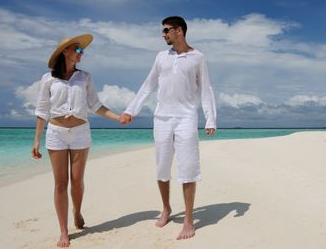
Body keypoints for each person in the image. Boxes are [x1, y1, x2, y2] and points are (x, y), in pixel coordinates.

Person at [120, 16, 217, 240]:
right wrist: (130, 111)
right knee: (162, 168)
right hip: (162, 119)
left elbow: (206, 90)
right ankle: (166, 208)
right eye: (163, 31)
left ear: (179, 31)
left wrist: (210, 119)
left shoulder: (198, 57)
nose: (163, 34)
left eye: (166, 30)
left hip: (186, 118)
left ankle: (189, 219)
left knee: (188, 168)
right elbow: (148, 86)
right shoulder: (161, 57)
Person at [32, 34, 124, 248]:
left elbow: (96, 105)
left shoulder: (85, 78)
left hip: (81, 132)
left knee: (77, 181)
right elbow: (41, 110)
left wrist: (118, 117)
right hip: (56, 132)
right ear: (65, 52)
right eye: (78, 50)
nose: (81, 53)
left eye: (82, 51)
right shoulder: (48, 79)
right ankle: (64, 231)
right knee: (60, 184)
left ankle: (77, 211)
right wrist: (36, 140)